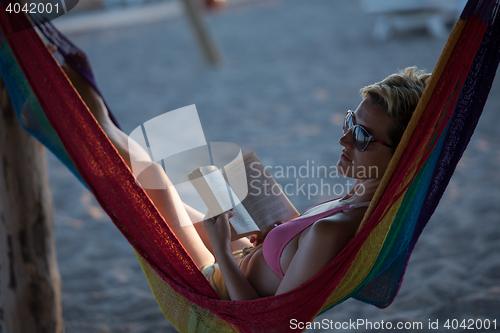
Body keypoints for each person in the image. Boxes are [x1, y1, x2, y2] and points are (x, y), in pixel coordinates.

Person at [59, 52, 430, 300]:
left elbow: (270, 323)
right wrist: (273, 237)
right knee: (164, 183)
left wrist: (221, 248)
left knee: (147, 187)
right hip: (244, 252)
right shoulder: (357, 199)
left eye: (362, 136)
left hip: (216, 280)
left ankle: (78, 121)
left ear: (402, 154)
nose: (344, 138)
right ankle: (84, 120)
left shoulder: (334, 230)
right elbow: (292, 263)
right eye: (351, 121)